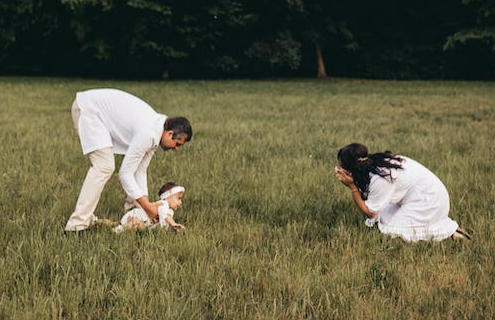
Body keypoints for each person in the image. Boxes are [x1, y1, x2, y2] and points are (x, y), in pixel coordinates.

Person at [65, 88, 192, 232]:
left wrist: (143, 208)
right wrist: (147, 207)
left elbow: (140, 170)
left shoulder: (157, 131)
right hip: (89, 109)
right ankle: (76, 226)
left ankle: (130, 214)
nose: (176, 149)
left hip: (97, 111)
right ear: (170, 134)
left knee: (119, 169)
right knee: (104, 166)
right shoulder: (149, 133)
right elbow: (125, 173)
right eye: (177, 144)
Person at [334, 143, 471, 242]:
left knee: (391, 231)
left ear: (354, 169)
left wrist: (352, 186)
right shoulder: (377, 161)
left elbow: (370, 212)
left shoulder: (380, 178)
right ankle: (449, 229)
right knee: (384, 217)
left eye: (344, 168)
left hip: (428, 200)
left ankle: (449, 234)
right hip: (426, 195)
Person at [112, 182, 186, 233]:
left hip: (143, 221)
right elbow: (165, 215)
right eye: (178, 199)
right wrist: (173, 224)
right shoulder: (163, 204)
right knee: (136, 225)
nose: (180, 202)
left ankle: (112, 224)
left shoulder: (170, 212)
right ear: (168, 197)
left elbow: (161, 225)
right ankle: (119, 230)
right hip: (136, 215)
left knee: (142, 228)